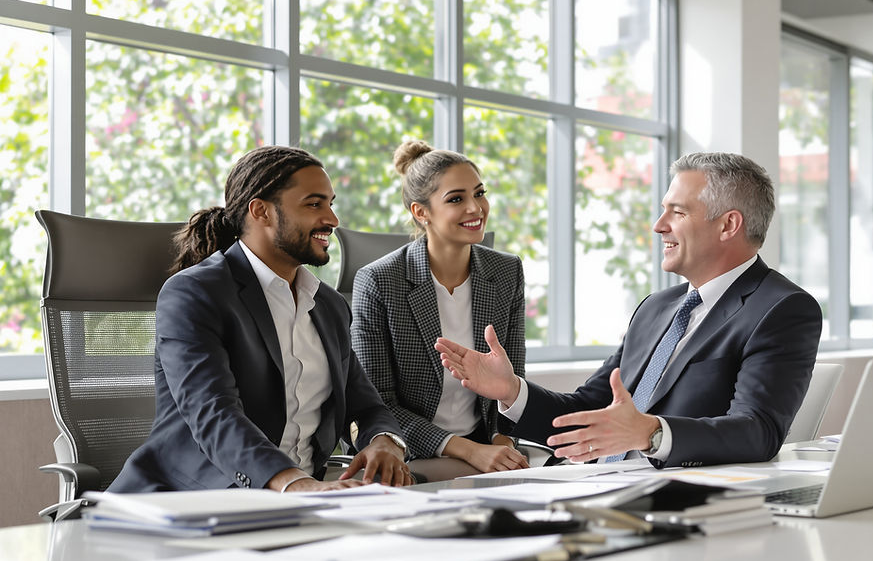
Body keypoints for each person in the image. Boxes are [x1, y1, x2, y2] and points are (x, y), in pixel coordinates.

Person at [435, 152, 822, 468]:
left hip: (665, 500)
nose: (658, 226)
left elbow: (757, 431)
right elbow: (589, 407)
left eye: (678, 212)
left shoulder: (782, 309)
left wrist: (650, 433)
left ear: (728, 225)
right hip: (588, 482)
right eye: (663, 210)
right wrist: (511, 391)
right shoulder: (656, 308)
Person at [110, 145, 412, 493]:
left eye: (331, 203)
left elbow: (365, 405)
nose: (332, 219)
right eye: (314, 204)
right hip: (192, 500)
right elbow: (214, 413)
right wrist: (291, 483)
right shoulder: (194, 294)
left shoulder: (327, 305)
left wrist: (384, 441)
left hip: (296, 501)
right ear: (261, 211)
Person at [350, 140, 529, 478]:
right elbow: (378, 404)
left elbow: (512, 382)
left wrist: (504, 442)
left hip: (484, 447)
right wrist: (471, 452)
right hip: (406, 452)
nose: (476, 208)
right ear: (421, 212)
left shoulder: (507, 272)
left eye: (479, 193)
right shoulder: (379, 281)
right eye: (456, 199)